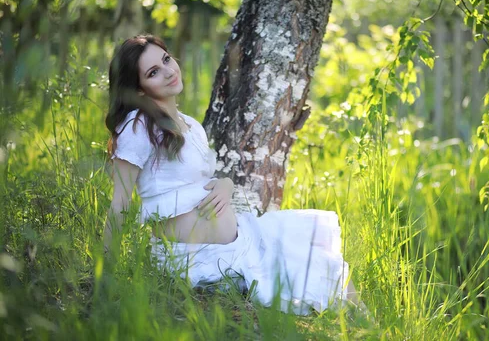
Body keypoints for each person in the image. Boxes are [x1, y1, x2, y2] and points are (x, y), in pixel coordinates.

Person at [102, 34, 361, 315]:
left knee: (314, 248)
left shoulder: (190, 125)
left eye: (166, 60)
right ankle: (369, 330)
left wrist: (225, 185)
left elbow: (195, 182)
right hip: (197, 257)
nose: (168, 71)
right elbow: (120, 202)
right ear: (138, 89)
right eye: (153, 72)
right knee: (312, 266)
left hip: (240, 238)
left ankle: (373, 331)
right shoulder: (138, 126)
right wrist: (105, 273)